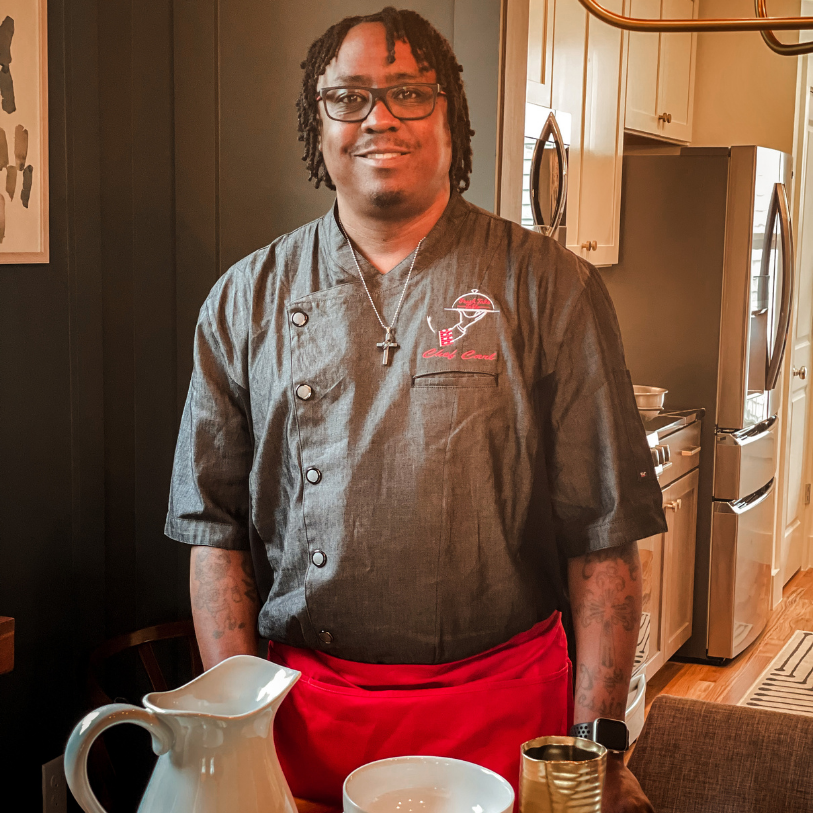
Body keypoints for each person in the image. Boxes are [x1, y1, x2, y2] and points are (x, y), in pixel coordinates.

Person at [165, 8, 667, 812]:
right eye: (348, 97)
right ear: (316, 120)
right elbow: (213, 536)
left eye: (407, 93)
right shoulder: (243, 300)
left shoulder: (550, 287)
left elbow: (604, 539)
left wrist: (595, 752)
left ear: (450, 115)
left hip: (503, 710)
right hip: (303, 713)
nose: (377, 119)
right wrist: (237, 730)